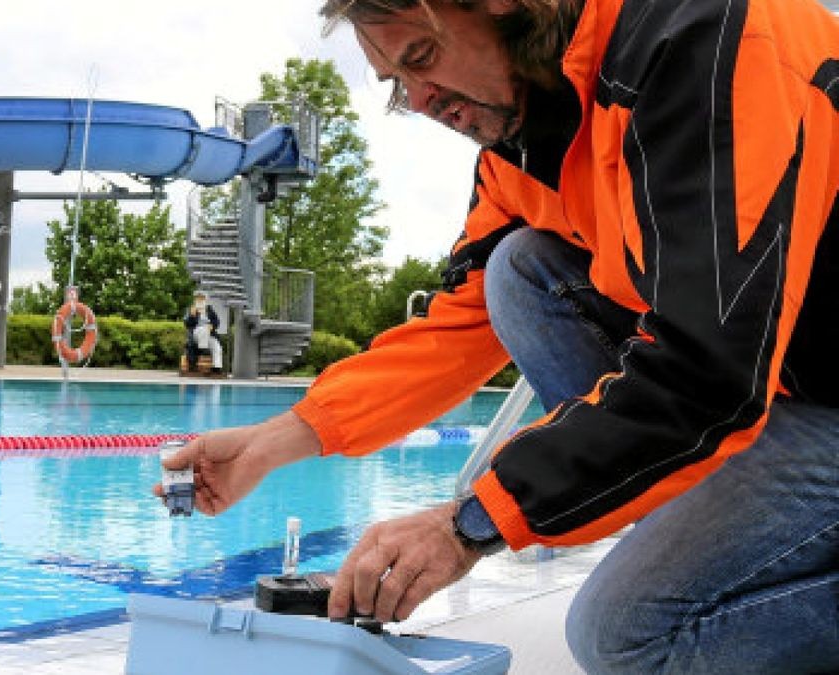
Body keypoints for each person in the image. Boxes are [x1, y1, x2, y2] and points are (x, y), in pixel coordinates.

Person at [154, 0, 839, 672]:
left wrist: (469, 523)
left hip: (793, 399)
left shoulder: (711, 40)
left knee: (629, 632)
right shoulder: (524, 142)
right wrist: (271, 444)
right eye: (397, 83)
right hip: (780, 389)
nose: (420, 101)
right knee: (519, 270)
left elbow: (706, 372)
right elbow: (453, 330)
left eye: (422, 57)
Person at [183, 290, 223, 375]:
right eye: (198, 298)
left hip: (208, 334)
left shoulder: (209, 310)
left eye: (202, 298)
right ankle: (203, 348)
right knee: (202, 329)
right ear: (195, 299)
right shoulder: (191, 309)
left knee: (216, 346)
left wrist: (212, 326)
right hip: (196, 334)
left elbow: (216, 322)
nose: (200, 300)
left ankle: (217, 368)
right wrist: (192, 316)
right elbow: (187, 324)